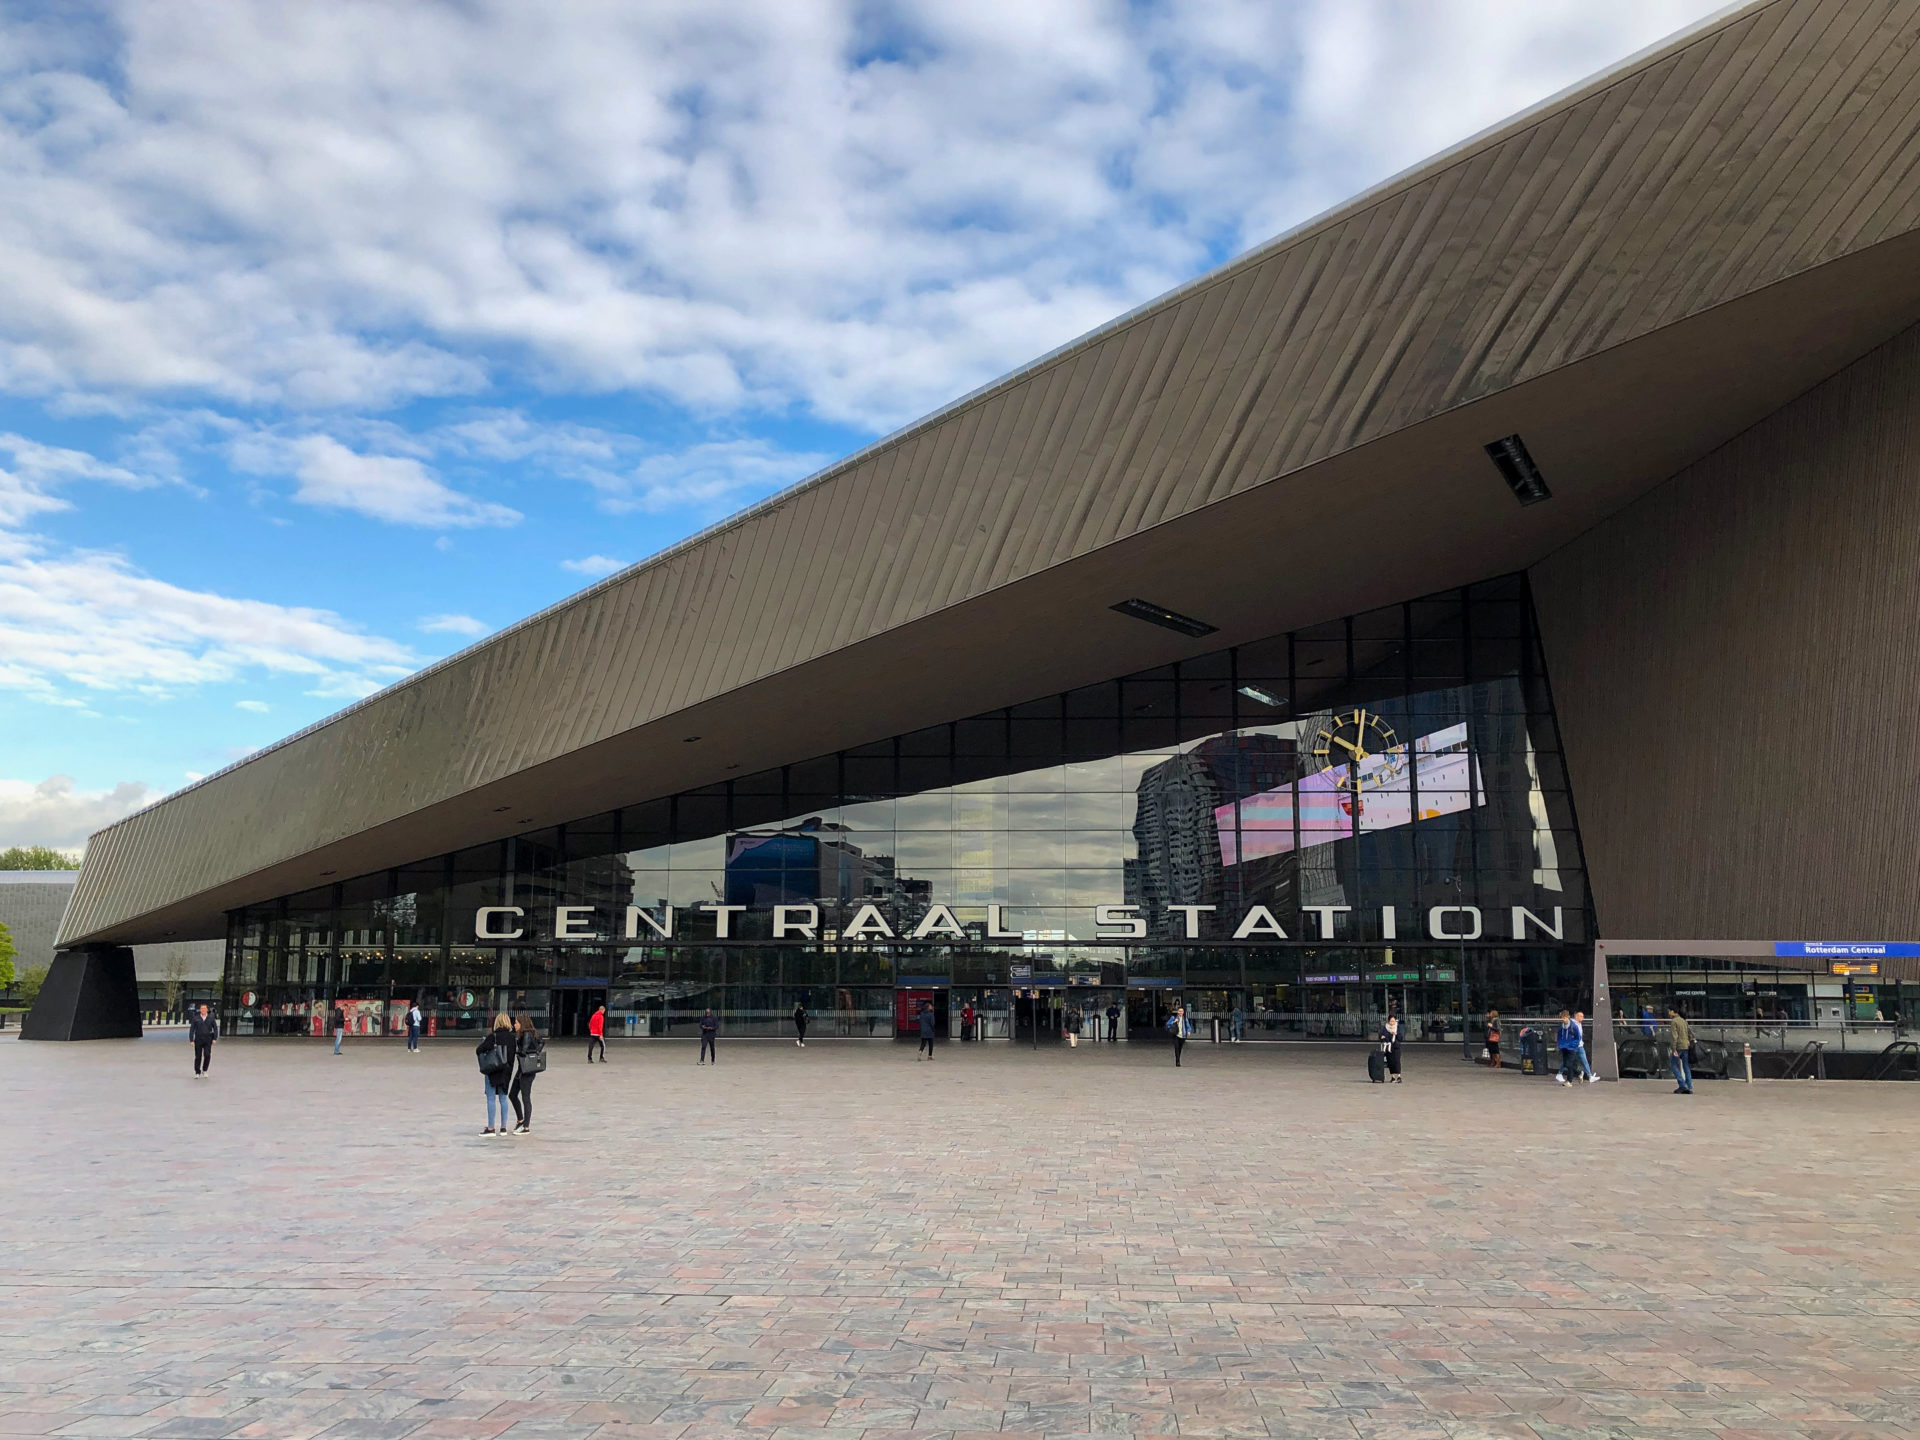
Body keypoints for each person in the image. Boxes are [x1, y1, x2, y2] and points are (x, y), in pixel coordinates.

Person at [477, 1012, 516, 1135]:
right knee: (503, 1098)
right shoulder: (512, 1038)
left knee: (491, 1098)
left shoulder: (493, 1037)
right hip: (506, 1071)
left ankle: (491, 1128)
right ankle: (503, 1127)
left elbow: (479, 1050)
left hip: (492, 1070)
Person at [510, 1016, 545, 1134]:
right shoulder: (530, 1033)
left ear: (522, 1023)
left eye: (516, 1023)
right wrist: (537, 1051)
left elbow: (523, 1051)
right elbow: (541, 1041)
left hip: (527, 1069)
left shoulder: (526, 1034)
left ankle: (526, 1126)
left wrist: (513, 1049)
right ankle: (520, 1120)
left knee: (525, 1096)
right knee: (512, 1094)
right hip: (522, 1068)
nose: (514, 1025)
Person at [1667, 1008, 1694, 1094]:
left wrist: (1673, 1048)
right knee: (1686, 1066)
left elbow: (1674, 1036)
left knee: (1673, 1064)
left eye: (1669, 1011)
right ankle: (1689, 1086)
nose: (1668, 1013)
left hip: (1678, 1046)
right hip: (1686, 1045)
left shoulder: (1674, 1021)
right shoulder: (1683, 1020)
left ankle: (1682, 1084)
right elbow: (1690, 1034)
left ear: (1672, 1011)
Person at [1554, 1009, 1582, 1086]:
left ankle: (1569, 1081)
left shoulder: (1573, 1026)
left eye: (1565, 1018)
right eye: (1562, 1018)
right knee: (1566, 1064)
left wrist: (1573, 1045)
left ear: (1568, 1017)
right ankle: (1579, 1073)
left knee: (1569, 1064)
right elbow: (1559, 1036)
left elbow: (1578, 1037)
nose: (1564, 1020)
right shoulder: (1561, 1027)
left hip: (1571, 1048)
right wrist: (1560, 1044)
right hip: (1564, 1047)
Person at [188, 1002, 217, 1076]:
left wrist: (214, 1038)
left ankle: (205, 1070)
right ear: (200, 1010)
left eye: (204, 1009)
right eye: (201, 1009)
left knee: (207, 1055)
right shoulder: (196, 1018)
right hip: (198, 1039)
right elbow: (192, 1029)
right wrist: (191, 1040)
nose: (203, 1010)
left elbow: (215, 1029)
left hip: (208, 1039)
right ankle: (197, 1072)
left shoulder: (211, 1018)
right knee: (198, 1056)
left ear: (207, 1010)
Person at [1572, 1009, 1597, 1083]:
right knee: (1569, 1061)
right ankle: (1561, 1073)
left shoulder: (1579, 1024)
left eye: (1583, 1016)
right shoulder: (1572, 1024)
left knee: (1584, 1060)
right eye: (1581, 1016)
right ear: (1576, 1016)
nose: (1582, 1018)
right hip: (1573, 1046)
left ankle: (1589, 1076)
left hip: (1580, 1046)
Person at [1380, 1013, 1403, 1083]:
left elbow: (1401, 1038)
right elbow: (1382, 1036)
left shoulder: (1398, 1027)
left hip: (1396, 1047)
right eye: (1391, 1021)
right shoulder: (1385, 1028)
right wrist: (1383, 1037)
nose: (1392, 1023)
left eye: (1393, 1021)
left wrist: (1396, 1034)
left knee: (1397, 1061)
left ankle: (1399, 1076)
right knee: (1390, 1062)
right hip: (1388, 1047)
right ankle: (1392, 1076)